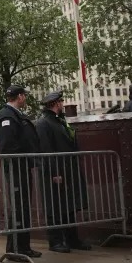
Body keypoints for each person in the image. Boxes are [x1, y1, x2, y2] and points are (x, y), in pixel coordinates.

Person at [34, 91, 91, 253]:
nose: (63, 104)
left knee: (69, 206)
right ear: (55, 103)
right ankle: (56, 241)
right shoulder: (44, 124)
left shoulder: (59, 121)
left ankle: (72, 238)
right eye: (61, 102)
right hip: (55, 172)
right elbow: (45, 150)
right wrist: (53, 173)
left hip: (67, 170)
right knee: (54, 207)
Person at [0, 85, 42, 259]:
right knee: (18, 208)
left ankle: (23, 246)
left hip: (21, 166)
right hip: (16, 167)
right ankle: (15, 248)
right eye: (24, 96)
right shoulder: (7, 115)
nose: (25, 99)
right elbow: (8, 145)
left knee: (23, 207)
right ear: (20, 97)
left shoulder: (15, 114)